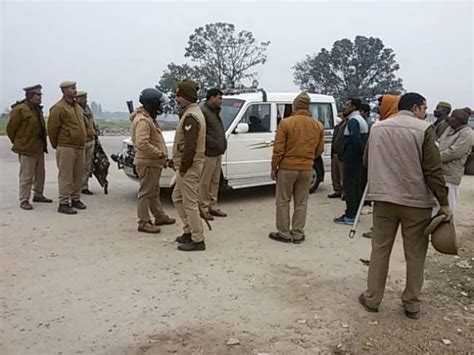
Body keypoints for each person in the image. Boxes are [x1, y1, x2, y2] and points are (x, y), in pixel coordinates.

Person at [359, 92, 452, 320]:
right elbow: (433, 170)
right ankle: (411, 303)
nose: (426, 112)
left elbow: (366, 161)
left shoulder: (378, 127)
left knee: (380, 250)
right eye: (424, 108)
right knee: (415, 254)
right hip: (415, 202)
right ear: (416, 108)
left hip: (383, 199)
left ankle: (372, 298)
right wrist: (444, 203)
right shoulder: (424, 130)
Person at [269, 91, 324, 243]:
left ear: (295, 106)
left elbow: (278, 149)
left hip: (287, 168)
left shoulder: (286, 123)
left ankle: (284, 233)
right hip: (306, 168)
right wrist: (309, 158)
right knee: (301, 201)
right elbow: (320, 150)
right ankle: (298, 233)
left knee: (283, 200)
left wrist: (274, 167)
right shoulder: (318, 125)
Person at [131, 88, 176, 234]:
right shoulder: (143, 121)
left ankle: (159, 216)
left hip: (152, 162)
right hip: (147, 163)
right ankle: (143, 222)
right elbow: (142, 143)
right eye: (159, 104)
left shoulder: (149, 118)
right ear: (152, 104)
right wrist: (160, 154)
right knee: (146, 192)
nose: (161, 107)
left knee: (154, 191)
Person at [171, 79, 207, 252]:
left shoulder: (191, 116)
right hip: (187, 166)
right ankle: (188, 231)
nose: (176, 99)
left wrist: (183, 167)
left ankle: (197, 239)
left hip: (189, 167)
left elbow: (190, 146)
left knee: (190, 203)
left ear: (186, 96)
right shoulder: (190, 113)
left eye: (179, 96)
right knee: (177, 198)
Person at [6, 84, 52, 210]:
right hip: (27, 148)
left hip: (38, 147)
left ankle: (38, 194)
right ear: (30, 95)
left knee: (40, 173)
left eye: (40, 95)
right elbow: (11, 129)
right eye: (37, 95)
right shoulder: (20, 109)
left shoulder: (37, 109)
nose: (40, 97)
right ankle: (24, 199)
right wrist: (20, 142)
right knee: (26, 175)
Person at [362, 94, 400, 238]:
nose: (378, 107)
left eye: (381, 104)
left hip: (387, 171)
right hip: (382, 170)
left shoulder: (387, 126)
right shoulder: (382, 122)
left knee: (385, 204)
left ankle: (380, 231)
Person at [48, 81, 87, 215]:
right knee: (66, 176)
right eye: (72, 88)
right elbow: (52, 129)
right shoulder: (58, 108)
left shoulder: (77, 107)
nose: (75, 91)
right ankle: (64, 202)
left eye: (75, 88)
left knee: (78, 175)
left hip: (79, 146)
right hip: (66, 146)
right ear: (64, 90)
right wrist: (57, 145)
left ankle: (75, 199)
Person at [334, 98, 368, 225]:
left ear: (353, 107)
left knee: (350, 187)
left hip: (352, 160)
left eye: (347, 105)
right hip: (356, 160)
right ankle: (353, 212)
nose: (345, 107)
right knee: (355, 186)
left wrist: (356, 155)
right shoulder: (360, 120)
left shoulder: (354, 121)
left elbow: (356, 141)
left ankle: (350, 215)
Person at [199, 88, 228, 221]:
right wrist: (215, 143)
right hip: (208, 153)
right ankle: (203, 208)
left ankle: (213, 206)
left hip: (217, 152)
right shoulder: (203, 112)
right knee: (205, 182)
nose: (221, 100)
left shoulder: (215, 112)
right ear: (211, 98)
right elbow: (202, 134)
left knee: (215, 181)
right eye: (219, 98)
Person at [438, 107, 473, 210]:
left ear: (460, 120)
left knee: (448, 205)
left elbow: (454, 153)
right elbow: (440, 142)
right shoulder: (449, 129)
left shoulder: (467, 133)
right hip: (440, 172)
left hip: (451, 175)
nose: (450, 119)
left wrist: (434, 157)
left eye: (453, 117)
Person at [74, 91, 96, 195]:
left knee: (87, 166)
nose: (85, 100)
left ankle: (84, 186)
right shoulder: (74, 110)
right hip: (80, 142)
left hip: (90, 140)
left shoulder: (87, 109)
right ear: (77, 99)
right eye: (83, 98)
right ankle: (75, 187)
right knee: (78, 167)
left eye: (86, 98)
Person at [328, 113, 346, 199]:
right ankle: (337, 190)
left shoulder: (346, 127)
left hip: (341, 154)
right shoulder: (336, 127)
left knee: (342, 173)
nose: (340, 118)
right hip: (334, 153)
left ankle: (344, 192)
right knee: (334, 173)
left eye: (342, 116)